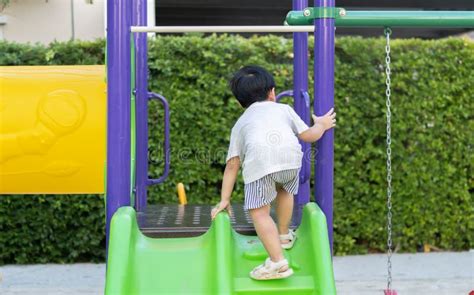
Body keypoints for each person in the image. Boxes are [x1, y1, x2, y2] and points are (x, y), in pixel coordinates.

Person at [211, 65, 336, 280]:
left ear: (240, 102)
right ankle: (284, 234)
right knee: (285, 191)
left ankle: (278, 262)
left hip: (261, 165)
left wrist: (224, 199)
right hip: (291, 162)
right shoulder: (284, 109)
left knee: (259, 213)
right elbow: (308, 135)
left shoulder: (241, 123)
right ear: (272, 92)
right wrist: (323, 125)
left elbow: (232, 164)